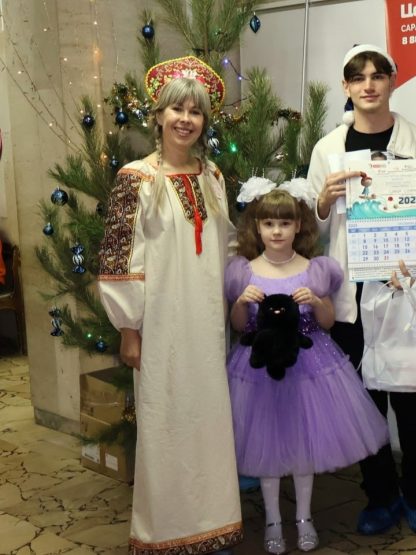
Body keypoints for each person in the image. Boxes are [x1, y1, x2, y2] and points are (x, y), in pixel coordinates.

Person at [307, 44, 416, 537]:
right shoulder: (328, 149)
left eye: (378, 75)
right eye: (358, 77)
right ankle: (379, 496)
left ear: (392, 81)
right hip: (352, 298)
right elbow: (312, 229)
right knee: (364, 404)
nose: (369, 85)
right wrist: (323, 201)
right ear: (346, 87)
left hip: (408, 290)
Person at [98, 56, 243, 554]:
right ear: (158, 115)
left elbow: (226, 247)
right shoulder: (136, 178)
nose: (186, 119)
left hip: (208, 326)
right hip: (160, 327)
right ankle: (165, 533)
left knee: (209, 423)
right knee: (165, 424)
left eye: (195, 111)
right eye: (177, 109)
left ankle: (214, 525)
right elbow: (120, 258)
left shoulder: (213, 176)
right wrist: (129, 328)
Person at [225, 184, 390, 554]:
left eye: (285, 223)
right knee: (265, 447)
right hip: (258, 372)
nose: (277, 231)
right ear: (257, 227)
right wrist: (240, 303)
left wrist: (315, 301)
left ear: (298, 226)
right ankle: (272, 519)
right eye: (269, 224)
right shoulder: (244, 272)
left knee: (304, 447)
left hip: (310, 366)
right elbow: (239, 325)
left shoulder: (314, 269)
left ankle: (303, 517)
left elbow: (328, 321)